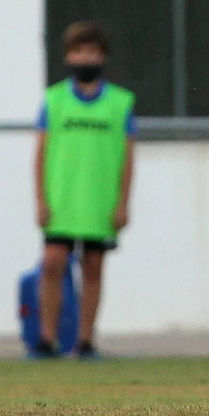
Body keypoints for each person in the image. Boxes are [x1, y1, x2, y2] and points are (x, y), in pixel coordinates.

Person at [32, 21, 136, 359]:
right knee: (52, 264)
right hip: (63, 200)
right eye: (78, 51)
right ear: (68, 56)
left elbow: (128, 157)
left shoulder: (120, 103)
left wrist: (122, 203)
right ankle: (47, 340)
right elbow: (41, 154)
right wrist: (41, 198)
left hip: (98, 201)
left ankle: (86, 341)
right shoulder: (54, 100)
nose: (85, 57)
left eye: (91, 51)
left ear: (102, 56)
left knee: (93, 268)